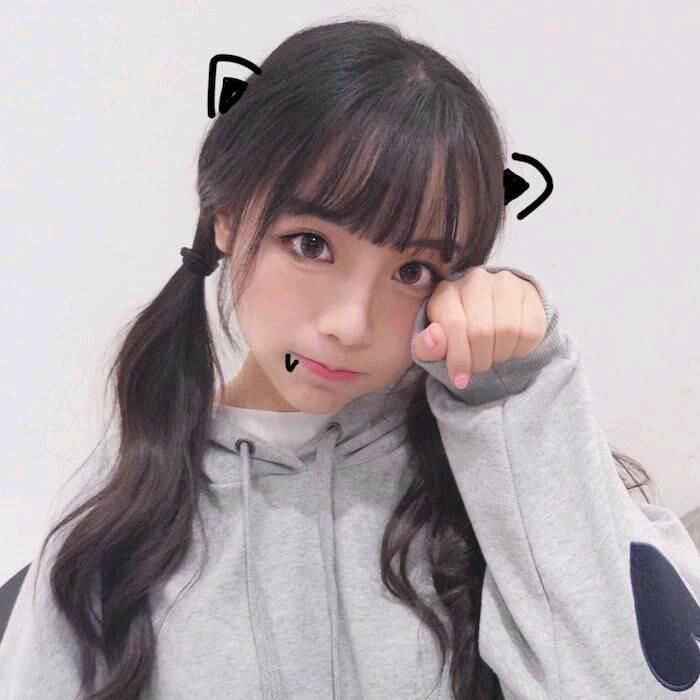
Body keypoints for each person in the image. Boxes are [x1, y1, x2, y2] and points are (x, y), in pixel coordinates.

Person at [2, 17, 699, 700]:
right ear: (228, 217)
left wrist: (519, 389)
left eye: (413, 270)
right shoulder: (122, 506)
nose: (350, 324)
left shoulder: (493, 456)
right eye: (311, 245)